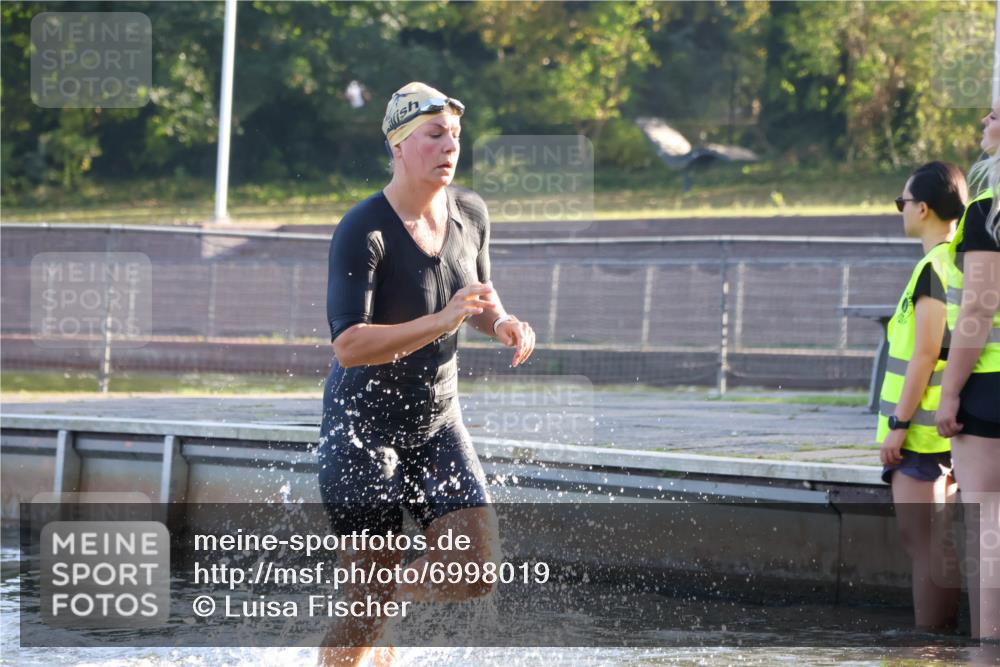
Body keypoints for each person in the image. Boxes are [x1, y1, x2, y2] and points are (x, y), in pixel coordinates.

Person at [316, 82, 536, 667]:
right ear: (399, 144)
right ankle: (370, 618)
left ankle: (379, 612)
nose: (449, 147)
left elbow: (478, 300)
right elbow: (349, 346)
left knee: (475, 571)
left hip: (437, 421)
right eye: (434, 136)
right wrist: (442, 321)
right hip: (362, 431)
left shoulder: (470, 212)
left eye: (455, 137)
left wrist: (504, 322)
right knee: (365, 604)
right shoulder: (364, 229)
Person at [877, 161, 968, 630]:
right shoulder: (961, 260)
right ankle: (941, 642)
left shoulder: (934, 267)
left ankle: (928, 646)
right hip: (944, 432)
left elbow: (926, 353)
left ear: (925, 208)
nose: (901, 211)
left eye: (903, 202)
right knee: (939, 543)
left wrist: (899, 423)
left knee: (924, 545)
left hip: (920, 437)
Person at [936, 100, 1000, 640]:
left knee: (989, 527)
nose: (985, 122)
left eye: (996, 115)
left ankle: (989, 647)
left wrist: (950, 390)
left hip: (991, 389)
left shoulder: (990, 209)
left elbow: (979, 307)